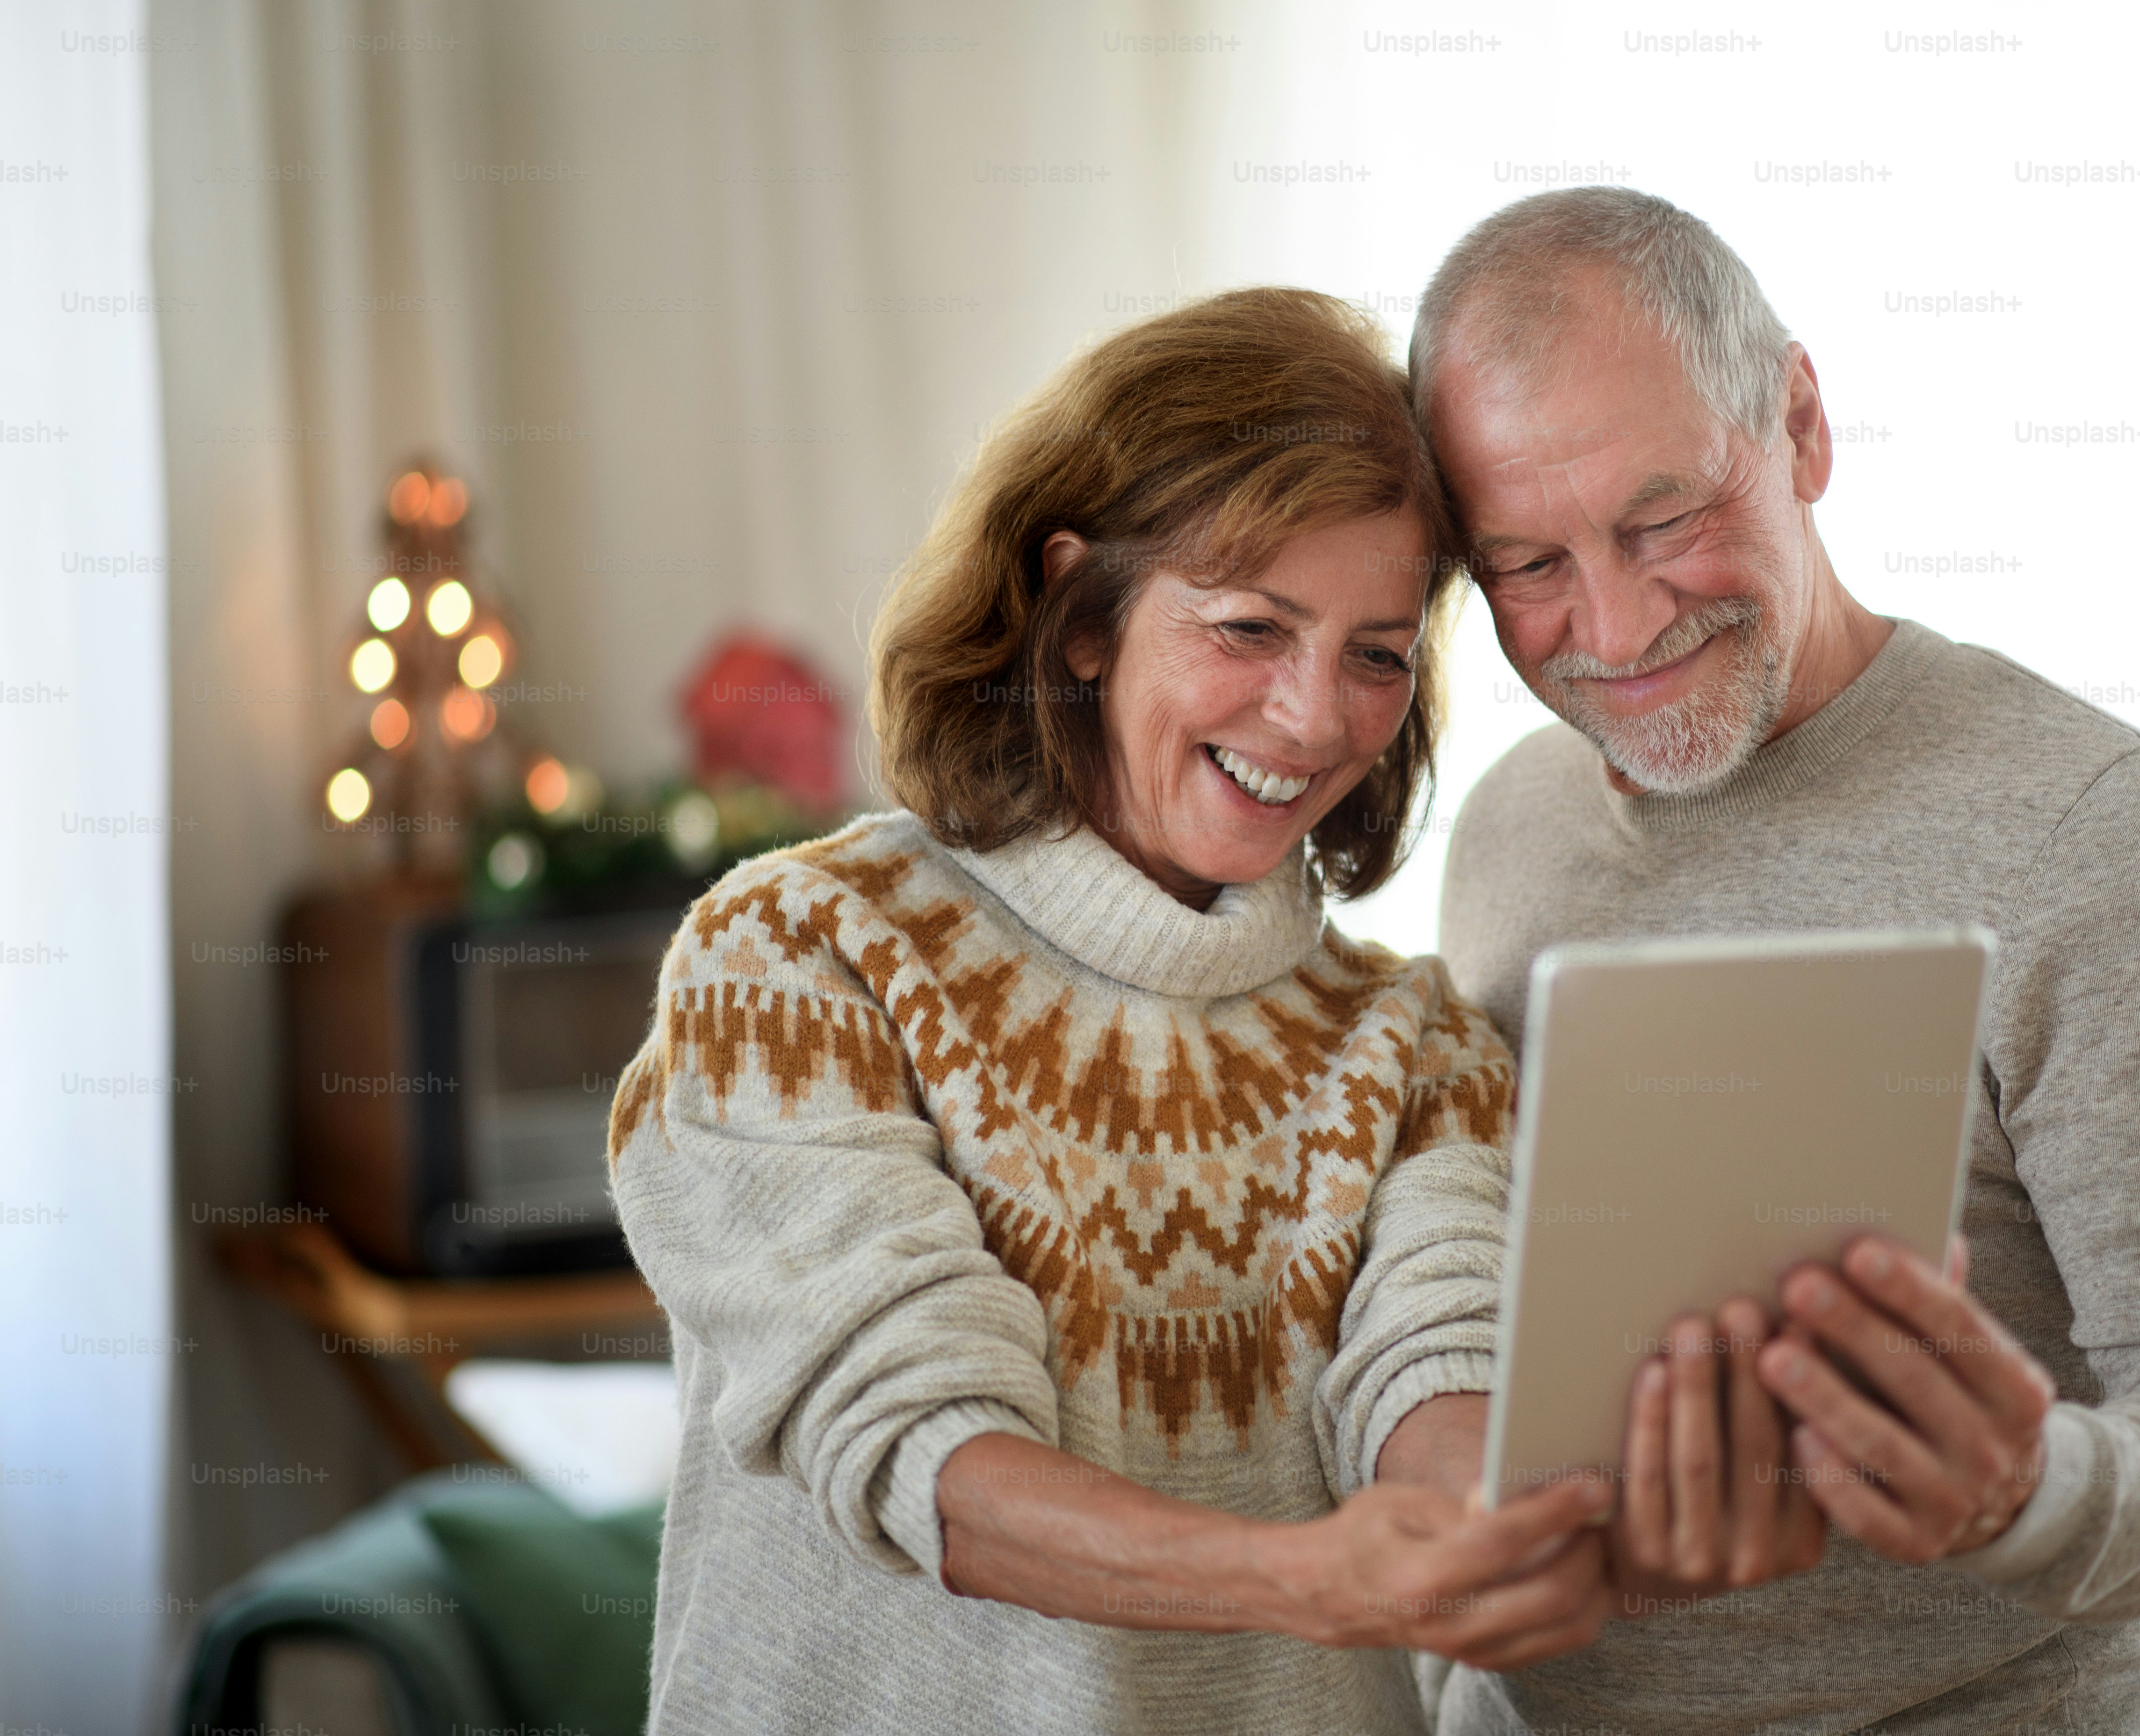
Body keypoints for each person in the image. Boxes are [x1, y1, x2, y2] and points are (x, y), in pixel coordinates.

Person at [606, 288, 1611, 1735]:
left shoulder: (1416, 1043)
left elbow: (1435, 1380)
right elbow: (928, 1452)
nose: (1316, 717)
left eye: (1377, 654)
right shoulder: (796, 960)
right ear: (1082, 618)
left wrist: (1527, 1524)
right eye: (1252, 627)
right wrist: (1300, 1579)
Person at [1411, 188, 2140, 1733]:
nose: (1616, 628)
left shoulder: (2104, 830)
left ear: (1802, 425)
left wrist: (2027, 1488)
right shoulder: (1507, 829)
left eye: (1664, 521)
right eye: (1528, 565)